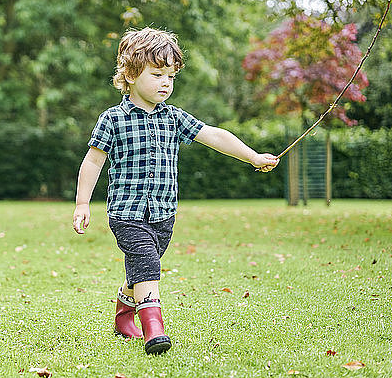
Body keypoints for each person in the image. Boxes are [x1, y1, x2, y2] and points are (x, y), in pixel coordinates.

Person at [72, 27, 279, 355]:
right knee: (146, 262)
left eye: (171, 75)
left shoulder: (174, 118)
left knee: (143, 266)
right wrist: (83, 202)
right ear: (130, 74)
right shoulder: (112, 119)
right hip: (126, 212)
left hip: (164, 213)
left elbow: (214, 135)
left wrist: (253, 156)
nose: (166, 82)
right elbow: (94, 161)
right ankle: (154, 327)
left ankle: (124, 311)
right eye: (157, 74)